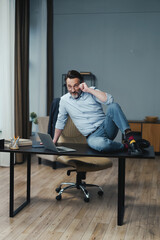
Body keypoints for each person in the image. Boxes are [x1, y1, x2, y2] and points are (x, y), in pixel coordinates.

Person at [53, 70, 142, 155]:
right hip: (93, 137)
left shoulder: (91, 91)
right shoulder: (64, 101)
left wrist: (89, 90)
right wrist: (54, 141)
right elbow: (60, 121)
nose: (72, 90)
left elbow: (109, 100)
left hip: (107, 127)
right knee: (102, 145)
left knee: (113, 106)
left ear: (81, 83)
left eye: (75, 86)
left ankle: (130, 138)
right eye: (69, 86)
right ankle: (127, 146)